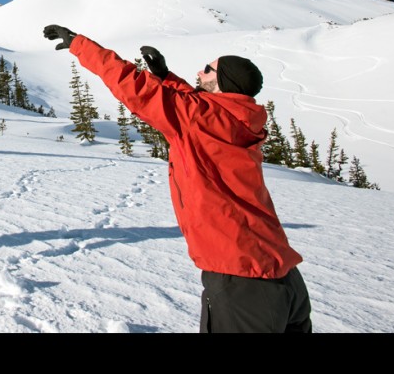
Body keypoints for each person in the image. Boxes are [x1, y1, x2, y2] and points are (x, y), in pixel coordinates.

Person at [43, 24, 312, 333]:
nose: (200, 72)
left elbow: (135, 87)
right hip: (286, 277)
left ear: (224, 82)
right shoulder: (240, 119)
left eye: (209, 70)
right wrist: (167, 77)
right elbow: (200, 108)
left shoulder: (200, 117)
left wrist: (80, 44)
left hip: (241, 279)